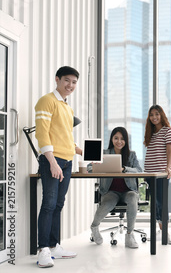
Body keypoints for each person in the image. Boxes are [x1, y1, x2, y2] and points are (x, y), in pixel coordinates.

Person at [35, 66, 82, 268]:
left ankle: (54, 246)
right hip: (52, 161)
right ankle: (43, 249)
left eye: (73, 82)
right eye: (67, 81)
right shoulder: (47, 101)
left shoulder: (67, 107)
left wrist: (83, 152)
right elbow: (42, 134)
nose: (70, 85)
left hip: (67, 161)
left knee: (59, 205)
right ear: (57, 79)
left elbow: (65, 137)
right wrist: (53, 162)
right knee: (49, 204)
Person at [89, 127, 143, 248]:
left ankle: (129, 235)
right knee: (108, 203)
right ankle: (94, 226)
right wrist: (94, 167)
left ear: (126, 141)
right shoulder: (105, 153)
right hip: (110, 191)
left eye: (122, 139)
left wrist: (125, 169)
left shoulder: (131, 155)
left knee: (133, 198)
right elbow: (89, 166)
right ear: (112, 139)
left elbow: (139, 170)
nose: (119, 141)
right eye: (116, 138)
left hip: (128, 191)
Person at [144, 105, 171, 244]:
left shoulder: (167, 131)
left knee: (162, 203)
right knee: (155, 204)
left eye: (157, 114)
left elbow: (169, 151)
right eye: (151, 115)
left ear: (161, 115)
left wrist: (168, 168)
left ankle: (165, 232)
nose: (154, 117)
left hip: (161, 173)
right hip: (149, 173)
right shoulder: (150, 133)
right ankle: (160, 230)